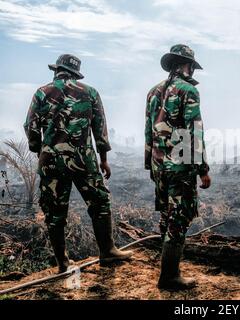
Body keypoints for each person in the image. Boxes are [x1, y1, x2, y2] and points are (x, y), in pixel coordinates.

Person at [24, 54, 132, 273]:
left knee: (54, 212)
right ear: (75, 73)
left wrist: (40, 150)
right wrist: (104, 160)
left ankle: (62, 264)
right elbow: (100, 130)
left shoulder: (42, 92)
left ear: (57, 71)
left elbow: (30, 126)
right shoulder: (90, 92)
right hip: (84, 159)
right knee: (100, 202)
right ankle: (108, 251)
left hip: (51, 160)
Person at [145, 44, 211, 290]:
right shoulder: (188, 91)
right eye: (192, 67)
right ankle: (170, 277)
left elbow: (147, 131)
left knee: (166, 215)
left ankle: (170, 272)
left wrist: (150, 164)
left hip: (158, 165)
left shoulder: (153, 91)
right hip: (180, 166)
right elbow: (194, 133)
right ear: (188, 66)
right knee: (179, 218)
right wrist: (203, 169)